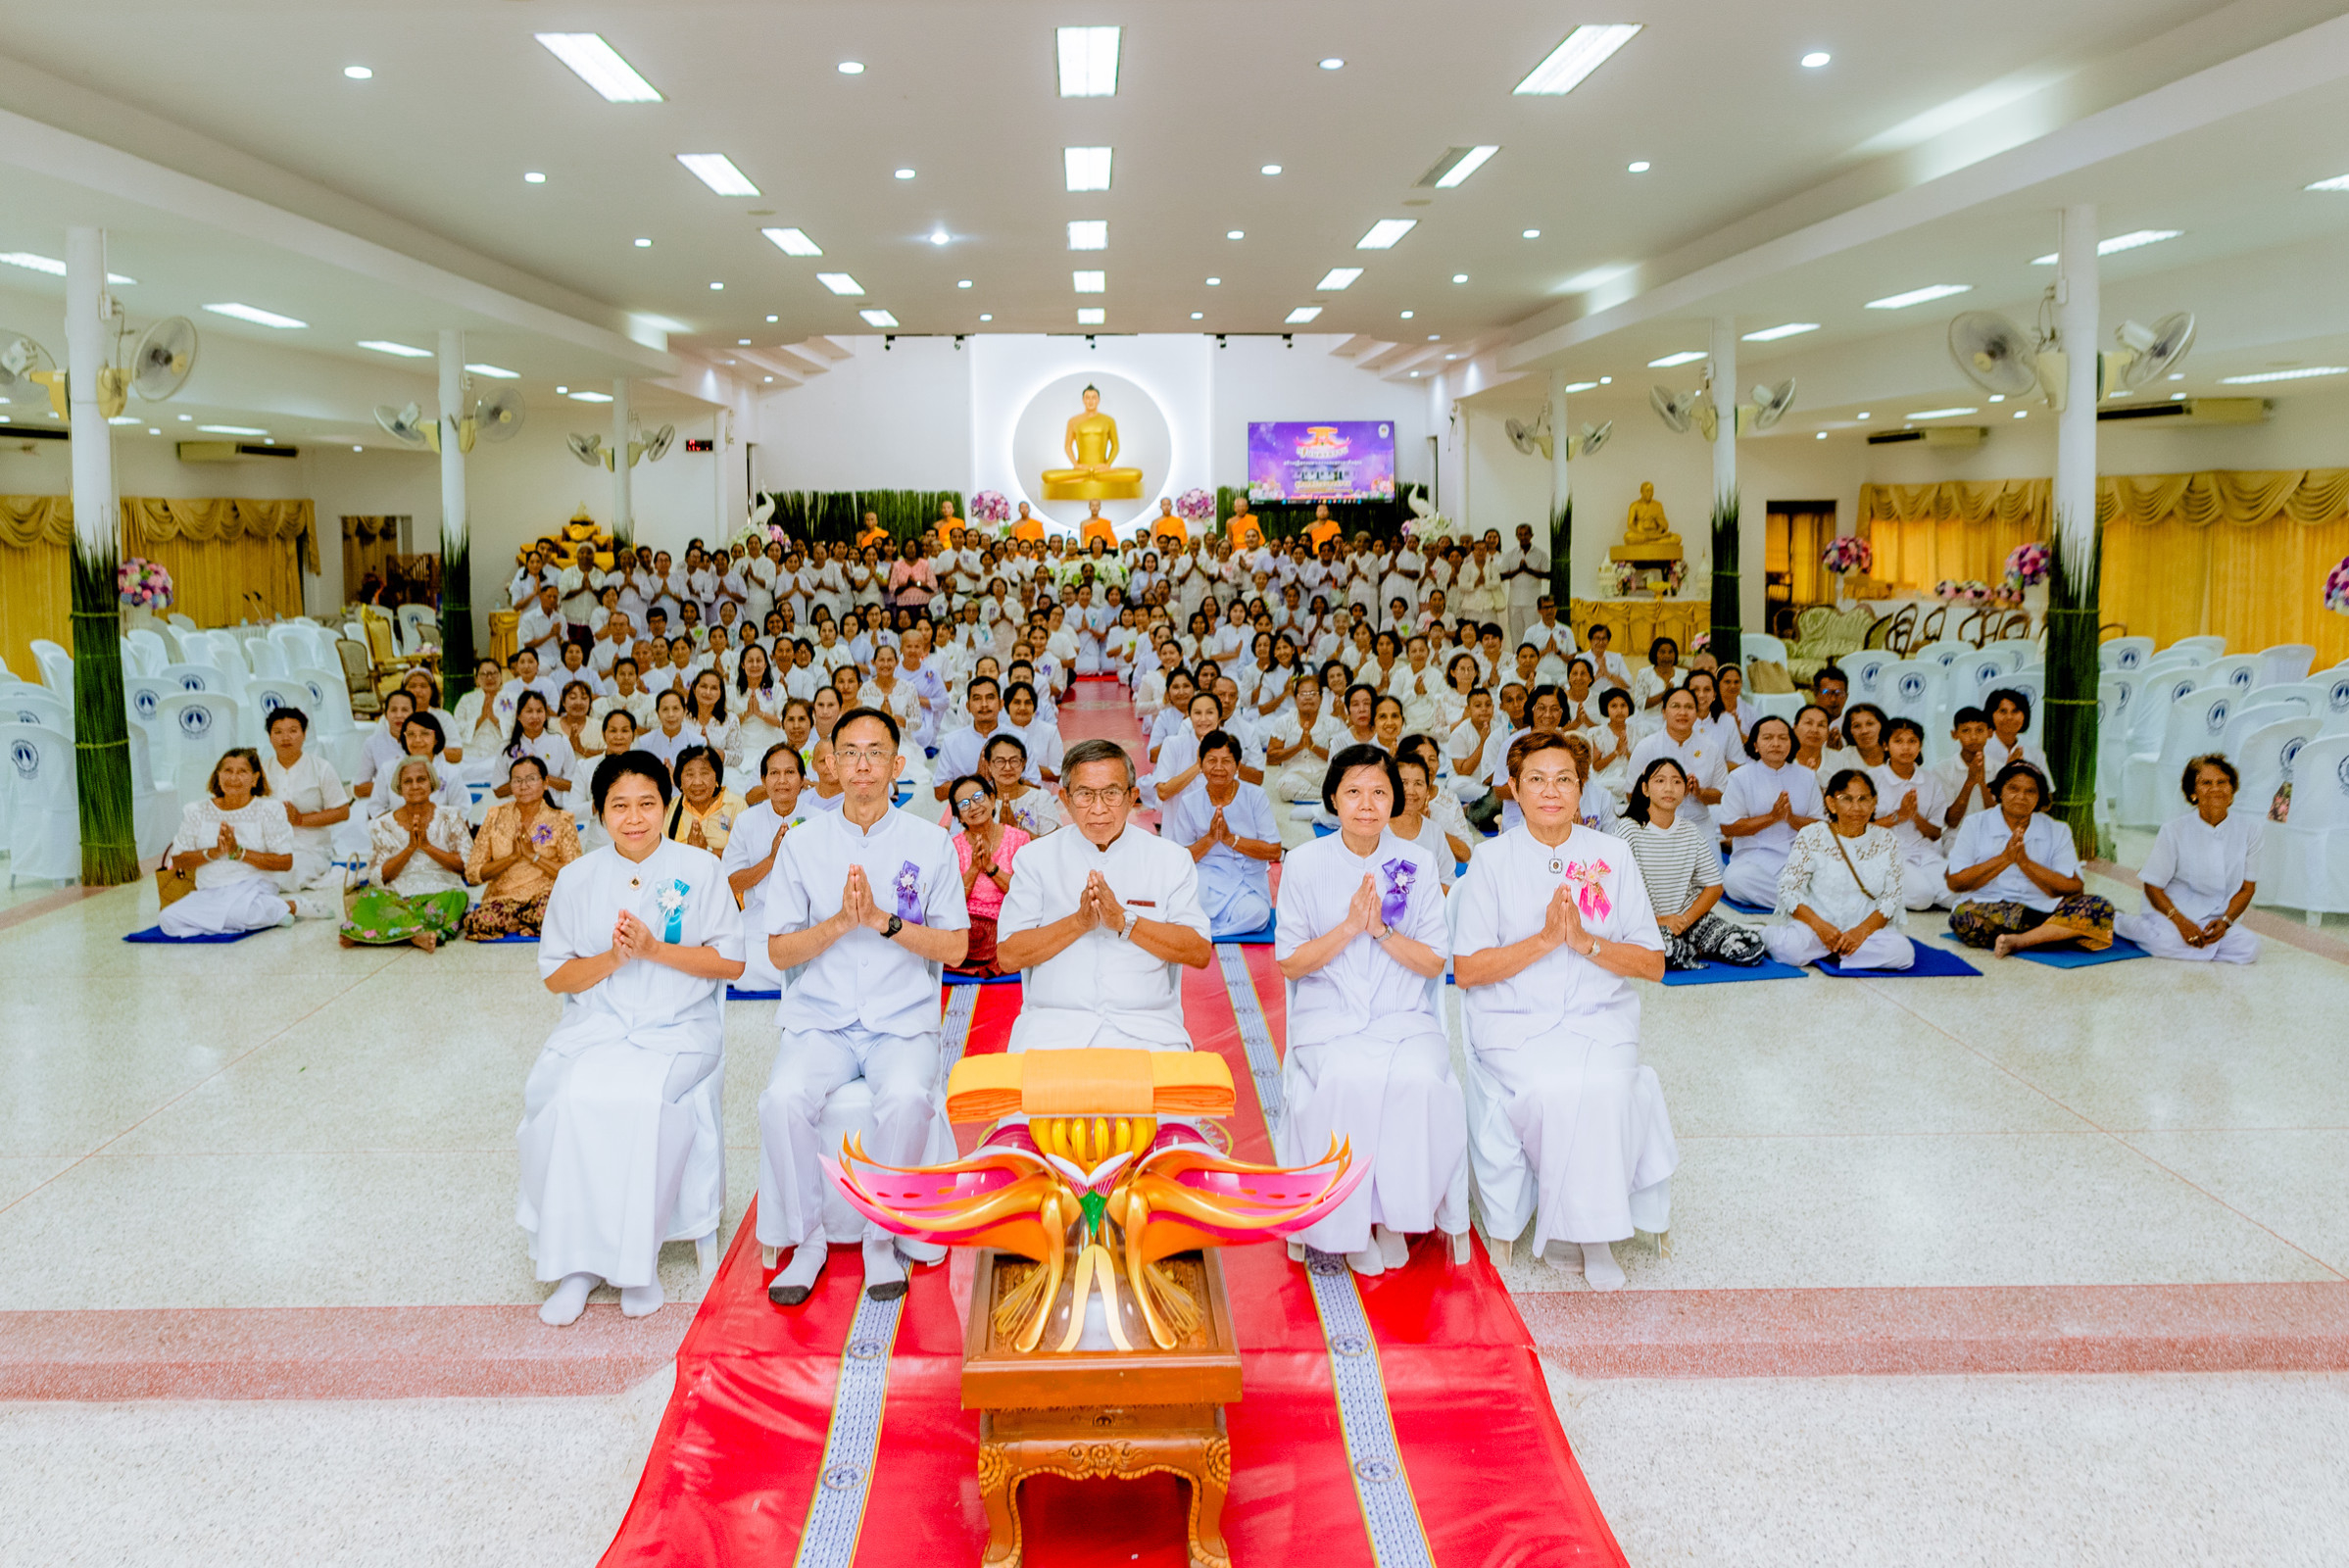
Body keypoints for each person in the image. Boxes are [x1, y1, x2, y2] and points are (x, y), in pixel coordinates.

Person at [521, 752, 746, 1327]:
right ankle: (575, 1265)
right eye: (619, 806)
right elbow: (556, 976)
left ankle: (635, 1264)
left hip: (680, 1030)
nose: (635, 817)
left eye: (647, 803)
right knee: (573, 1099)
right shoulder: (577, 878)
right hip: (601, 1027)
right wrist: (614, 958)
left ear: (667, 805)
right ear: (599, 814)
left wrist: (654, 950)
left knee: (641, 1102)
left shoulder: (700, 869)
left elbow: (732, 964)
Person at [757, 708, 969, 1305]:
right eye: (849, 752)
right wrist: (841, 923)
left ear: (898, 765)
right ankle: (809, 1241)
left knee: (906, 1098)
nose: (862, 765)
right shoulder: (803, 845)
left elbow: (955, 946)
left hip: (900, 1022)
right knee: (781, 1099)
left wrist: (882, 922)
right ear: (828, 763)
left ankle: (881, 1238)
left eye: (876, 752)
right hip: (821, 1021)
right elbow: (778, 950)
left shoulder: (930, 845)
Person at [1451, 730, 1673, 1292]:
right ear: (1513, 789)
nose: (1551, 792)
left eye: (1565, 780)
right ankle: (1581, 1233)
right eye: (1536, 780)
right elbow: (1470, 971)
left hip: (1601, 1016)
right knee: (1554, 1089)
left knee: (1604, 1085)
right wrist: (1549, 940)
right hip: (1515, 1021)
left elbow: (1652, 963)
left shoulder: (1611, 855)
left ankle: (1590, 1236)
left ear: (1581, 790)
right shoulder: (1491, 859)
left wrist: (1586, 942)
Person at [1275, 743, 1466, 1275]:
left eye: (1379, 792)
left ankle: (1393, 1218)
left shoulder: (1417, 863)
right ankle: (1347, 1227)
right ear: (1333, 798)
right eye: (1354, 791)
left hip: (1402, 1016)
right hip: (1330, 1017)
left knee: (1421, 1082)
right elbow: (1290, 962)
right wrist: (1348, 927)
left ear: (1395, 800)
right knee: (1350, 1079)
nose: (1366, 803)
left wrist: (1379, 930)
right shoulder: (1305, 862)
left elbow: (1431, 962)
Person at [996, 736, 1213, 1053]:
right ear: (1066, 799)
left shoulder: (1170, 859)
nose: (1099, 809)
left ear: (1132, 797)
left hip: (1148, 1030)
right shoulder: (1035, 859)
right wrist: (1079, 923)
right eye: (1085, 794)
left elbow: (1198, 951)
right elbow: (1008, 956)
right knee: (1032, 1102)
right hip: (1052, 1029)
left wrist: (1125, 922)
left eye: (1111, 794)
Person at [1945, 762, 2118, 956]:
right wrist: (2004, 859)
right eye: (2013, 788)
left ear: (2039, 798)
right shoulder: (1975, 824)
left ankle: (2020, 941)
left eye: (2030, 791)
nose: (2021, 797)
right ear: (1999, 791)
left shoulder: (2057, 829)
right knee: (1963, 918)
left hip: (2043, 910)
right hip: (1991, 908)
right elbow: (1955, 881)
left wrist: (2025, 863)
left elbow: (2074, 887)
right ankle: (2054, 935)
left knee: (2100, 907)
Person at [1611, 758, 1767, 970]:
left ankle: (1689, 949)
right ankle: (1688, 950)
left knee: (1750, 948)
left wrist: (1684, 920)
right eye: (1660, 781)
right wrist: (1661, 921)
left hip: (1689, 920)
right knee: (1664, 950)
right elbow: (1614, 891)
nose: (1669, 788)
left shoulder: (1690, 831)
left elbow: (1714, 887)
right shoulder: (1629, 829)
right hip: (1646, 923)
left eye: (1676, 782)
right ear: (1645, 789)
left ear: (1685, 791)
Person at [2114, 754, 2261, 963]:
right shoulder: (2174, 830)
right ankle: (2121, 922)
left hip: (2217, 916)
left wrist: (2226, 922)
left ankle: (2200, 943)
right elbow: (2152, 886)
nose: (2216, 789)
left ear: (2232, 791)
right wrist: (2182, 923)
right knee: (2164, 941)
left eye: (2222, 782)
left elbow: (2247, 888)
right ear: (2193, 793)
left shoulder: (2250, 830)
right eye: (2206, 783)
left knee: (2249, 949)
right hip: (2172, 912)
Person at [1763, 769, 1913, 970]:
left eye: (1863, 799)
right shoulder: (1812, 835)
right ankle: (1764, 933)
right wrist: (1820, 926)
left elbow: (1891, 898)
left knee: (1902, 953)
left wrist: (1861, 932)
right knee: (1790, 949)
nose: (1856, 807)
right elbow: (1789, 889)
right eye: (1847, 799)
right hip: (1818, 928)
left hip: (1866, 931)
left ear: (1873, 803)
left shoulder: (1886, 840)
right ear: (1831, 803)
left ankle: (1838, 950)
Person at [162, 748, 299, 937]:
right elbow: (178, 861)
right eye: (228, 771)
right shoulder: (196, 811)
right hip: (210, 892)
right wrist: (214, 852)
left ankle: (279, 908)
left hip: (255, 889)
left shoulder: (269, 809)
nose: (233, 778)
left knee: (240, 911)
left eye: (242, 771)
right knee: (167, 919)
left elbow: (285, 862)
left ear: (255, 778)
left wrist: (239, 852)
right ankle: (274, 912)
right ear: (218, 775)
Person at [344, 756, 472, 950]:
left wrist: (427, 847)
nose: (415, 786)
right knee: (368, 898)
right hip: (398, 895)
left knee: (458, 897)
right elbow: (377, 877)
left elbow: (467, 866)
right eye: (407, 781)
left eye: (421, 779)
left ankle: (392, 931)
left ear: (431, 783)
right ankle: (418, 934)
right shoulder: (382, 824)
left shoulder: (451, 816)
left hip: (441, 891)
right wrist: (410, 848)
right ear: (399, 788)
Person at [1162, 730, 1281, 938]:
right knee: (1174, 901)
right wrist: (1210, 839)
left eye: (1226, 761)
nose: (1218, 768)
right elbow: (1180, 858)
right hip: (1207, 879)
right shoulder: (1190, 801)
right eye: (1211, 761)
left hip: (1247, 882)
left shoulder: (1255, 796)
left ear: (1237, 764)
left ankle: (1204, 932)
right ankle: (1204, 927)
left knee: (1258, 914)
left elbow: (1274, 850)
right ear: (1200, 762)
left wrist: (1230, 839)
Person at [463, 755, 582, 940]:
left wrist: (533, 856)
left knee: (559, 916)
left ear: (545, 782)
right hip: (504, 897)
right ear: (511, 786)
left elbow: (575, 874)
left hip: (544, 895)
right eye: (517, 780)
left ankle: (518, 924)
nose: (523, 786)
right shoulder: (495, 816)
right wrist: (512, 857)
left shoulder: (562, 820)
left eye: (531, 779)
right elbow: (473, 873)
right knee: (474, 922)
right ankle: (528, 924)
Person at [1716, 714, 1825, 907]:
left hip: (1798, 859)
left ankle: (1798, 901)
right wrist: (1772, 817)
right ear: (1755, 745)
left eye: (1783, 738)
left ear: (1791, 743)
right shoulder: (1740, 777)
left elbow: (1820, 827)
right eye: (1767, 738)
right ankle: (1805, 905)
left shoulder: (1807, 776)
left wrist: (1791, 818)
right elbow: (1728, 828)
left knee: (1831, 876)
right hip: (1754, 861)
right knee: (1734, 881)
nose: (1776, 743)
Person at [261, 707, 350, 913]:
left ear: (304, 734)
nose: (285, 737)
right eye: (278, 732)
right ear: (269, 737)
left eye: (293, 730)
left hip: (310, 848)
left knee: (285, 874)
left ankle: (282, 907)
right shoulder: (261, 771)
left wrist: (300, 819)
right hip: (269, 847)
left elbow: (342, 811)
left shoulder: (321, 768)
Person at [947, 772, 1030, 977]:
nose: (973, 807)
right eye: (964, 804)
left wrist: (991, 867)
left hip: (1007, 921)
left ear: (993, 800)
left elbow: (1026, 894)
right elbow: (951, 902)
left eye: (978, 797)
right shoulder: (952, 848)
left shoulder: (1019, 839)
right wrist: (974, 868)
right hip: (969, 926)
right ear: (958, 815)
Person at [1870, 717, 1952, 910]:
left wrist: (1915, 816)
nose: (1906, 748)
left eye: (1912, 741)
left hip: (1924, 852)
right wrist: (1899, 815)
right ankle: (1873, 890)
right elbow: (1858, 828)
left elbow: (1935, 833)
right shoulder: (1872, 778)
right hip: (1885, 852)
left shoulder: (1930, 780)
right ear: (1885, 746)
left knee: (1955, 896)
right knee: (1922, 898)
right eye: (1898, 741)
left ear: (1920, 746)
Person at [1626, 687, 1727, 832]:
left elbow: (1721, 795)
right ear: (1664, 712)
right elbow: (1630, 794)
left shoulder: (1711, 748)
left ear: (1697, 713)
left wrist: (1699, 792)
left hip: (1699, 826)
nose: (1682, 712)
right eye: (1675, 706)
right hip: (1655, 825)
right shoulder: (1646, 747)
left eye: (1689, 707)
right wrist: (1668, 792)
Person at [663, 744, 744, 855]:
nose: (697, 782)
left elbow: (744, 857)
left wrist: (706, 850)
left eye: (704, 773)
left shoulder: (736, 805)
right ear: (680, 782)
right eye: (689, 774)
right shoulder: (670, 807)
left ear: (717, 778)